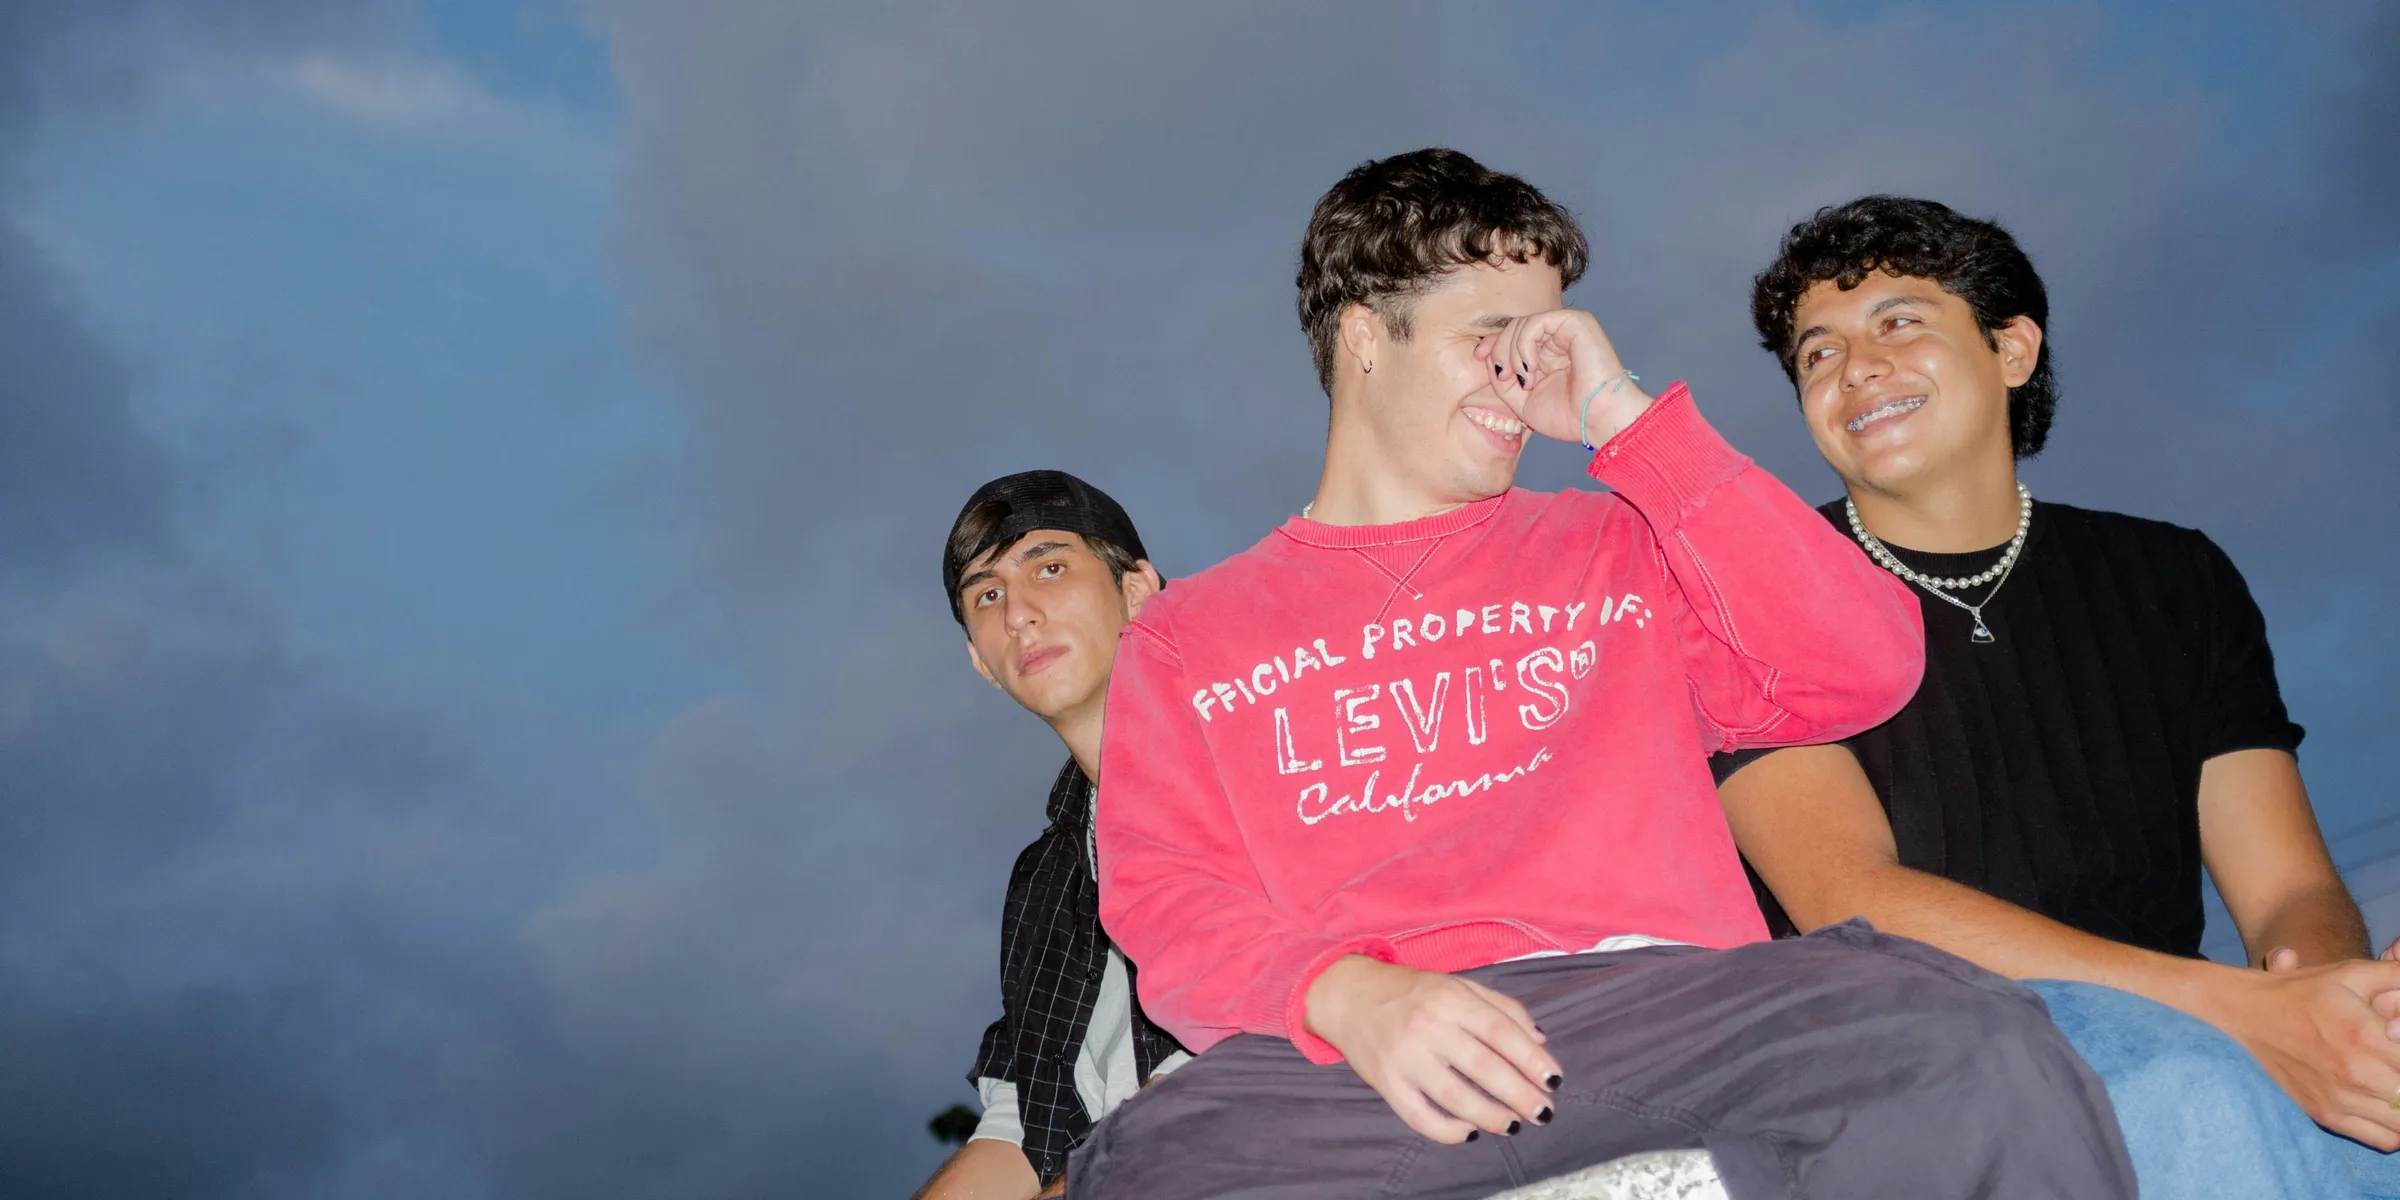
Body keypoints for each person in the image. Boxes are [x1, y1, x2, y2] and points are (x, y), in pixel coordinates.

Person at [1069, 149, 2135, 1199]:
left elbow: (1865, 667)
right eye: (1491, 338)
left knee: (1971, 1045)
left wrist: (1628, 419)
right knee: (1144, 1165)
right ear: (1364, 338)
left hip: (1667, 1012)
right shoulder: (1188, 636)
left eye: (1544, 343)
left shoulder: (1618, 544)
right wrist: (1347, 996)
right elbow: (1165, 898)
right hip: (1357, 1059)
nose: (1524, 377)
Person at [1713, 194, 2400, 1199]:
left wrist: (2332, 1003)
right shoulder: (1747, 595)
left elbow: (2287, 886)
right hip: (1917, 1057)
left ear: (2013, 350)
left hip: (2183, 1024)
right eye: (1818, 354)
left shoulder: (2175, 578)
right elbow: (1851, 902)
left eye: (1898, 322)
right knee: (2185, 1092)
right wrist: (2235, 1014)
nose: (1856, 368)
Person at [913, 471, 1190, 1200]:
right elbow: (1019, 1126)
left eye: (1051, 567)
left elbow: (1253, 1062)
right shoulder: (1047, 879)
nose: (1019, 615)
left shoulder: (1258, 766)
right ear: (981, 661)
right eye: (988, 595)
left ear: (1138, 591)